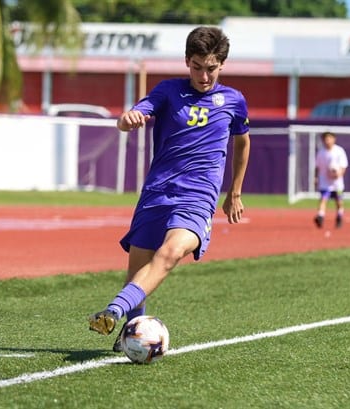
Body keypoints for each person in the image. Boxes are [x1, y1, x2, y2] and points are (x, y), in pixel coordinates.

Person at [87, 26, 251, 351]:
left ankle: (112, 311)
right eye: (197, 67)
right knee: (138, 272)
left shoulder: (234, 101)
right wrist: (128, 119)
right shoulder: (167, 91)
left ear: (222, 64)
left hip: (198, 197)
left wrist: (234, 191)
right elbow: (129, 118)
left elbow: (243, 143)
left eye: (211, 68)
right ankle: (128, 335)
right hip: (157, 193)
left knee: (171, 253)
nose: (204, 76)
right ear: (187, 61)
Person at [313, 131, 348, 229]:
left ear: (334, 139)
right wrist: (315, 177)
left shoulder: (339, 151)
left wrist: (338, 174)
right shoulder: (321, 152)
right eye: (325, 139)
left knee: (339, 201)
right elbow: (317, 166)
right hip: (325, 182)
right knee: (323, 199)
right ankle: (320, 216)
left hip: (337, 184)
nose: (327, 141)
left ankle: (339, 217)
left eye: (329, 138)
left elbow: (344, 166)